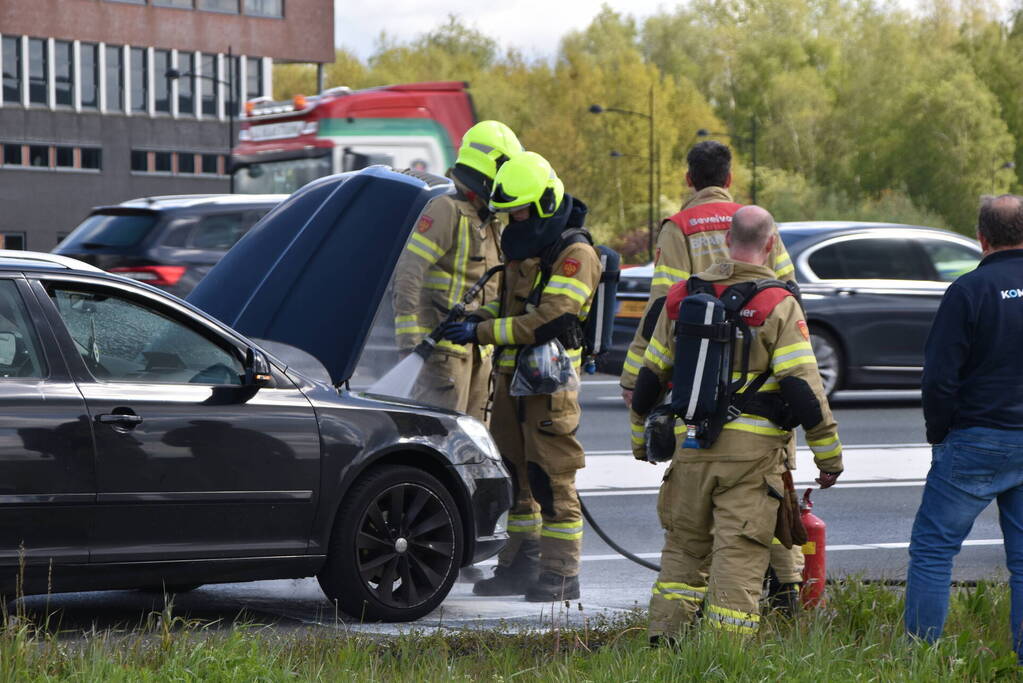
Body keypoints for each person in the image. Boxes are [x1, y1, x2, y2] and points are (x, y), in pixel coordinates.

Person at [630, 205, 842, 642]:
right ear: (771, 244)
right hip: (751, 460)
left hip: (691, 449)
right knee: (738, 555)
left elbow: (648, 379)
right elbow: (803, 388)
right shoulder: (778, 304)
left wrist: (641, 442)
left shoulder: (682, 297)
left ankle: (663, 643)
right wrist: (829, 457)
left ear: (727, 240)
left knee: (683, 553)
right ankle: (724, 653)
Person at [621, 141, 804, 607]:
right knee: (772, 489)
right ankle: (787, 592)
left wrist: (636, 374)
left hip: (698, 377)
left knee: (696, 510)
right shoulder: (756, 221)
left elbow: (663, 306)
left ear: (689, 179)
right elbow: (789, 291)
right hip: (763, 378)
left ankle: (695, 607)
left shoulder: (679, 227)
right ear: (729, 178)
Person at [439, 151, 600, 602]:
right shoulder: (525, 246)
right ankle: (518, 564)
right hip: (511, 379)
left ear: (545, 203)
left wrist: (483, 331)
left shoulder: (575, 254)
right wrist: (476, 316)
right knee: (515, 476)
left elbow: (550, 318)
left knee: (551, 477)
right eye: (509, 213)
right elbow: (511, 304)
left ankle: (561, 574)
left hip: (550, 386)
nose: (515, 221)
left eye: (521, 212)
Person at [905, 194, 1023, 661]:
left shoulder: (969, 290)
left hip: (976, 439)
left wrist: (939, 433)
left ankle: (921, 660)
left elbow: (938, 376)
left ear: (981, 238)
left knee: (933, 551)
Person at [392, 120, 522, 421]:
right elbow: (408, 273)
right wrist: (409, 342)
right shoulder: (445, 210)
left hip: (479, 351)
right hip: (442, 354)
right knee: (442, 435)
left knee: (475, 437)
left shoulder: (490, 222)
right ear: (489, 167)